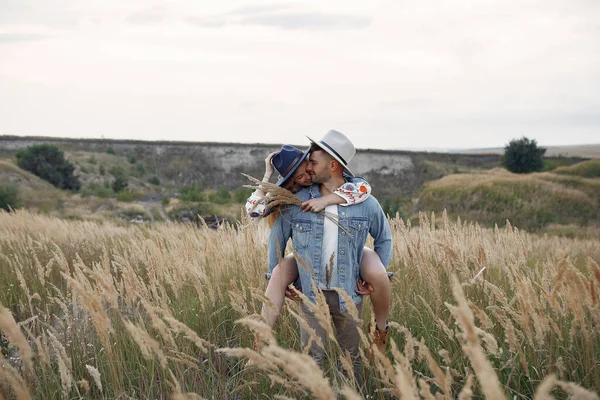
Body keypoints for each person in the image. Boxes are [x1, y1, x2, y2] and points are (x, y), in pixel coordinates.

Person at [267, 130, 393, 373]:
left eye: (313, 162)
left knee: (353, 360)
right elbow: (276, 241)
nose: (309, 167)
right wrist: (282, 282)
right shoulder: (297, 201)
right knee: (312, 361)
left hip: (350, 295)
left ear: (333, 165)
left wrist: (374, 278)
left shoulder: (366, 203)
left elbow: (384, 239)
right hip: (311, 294)